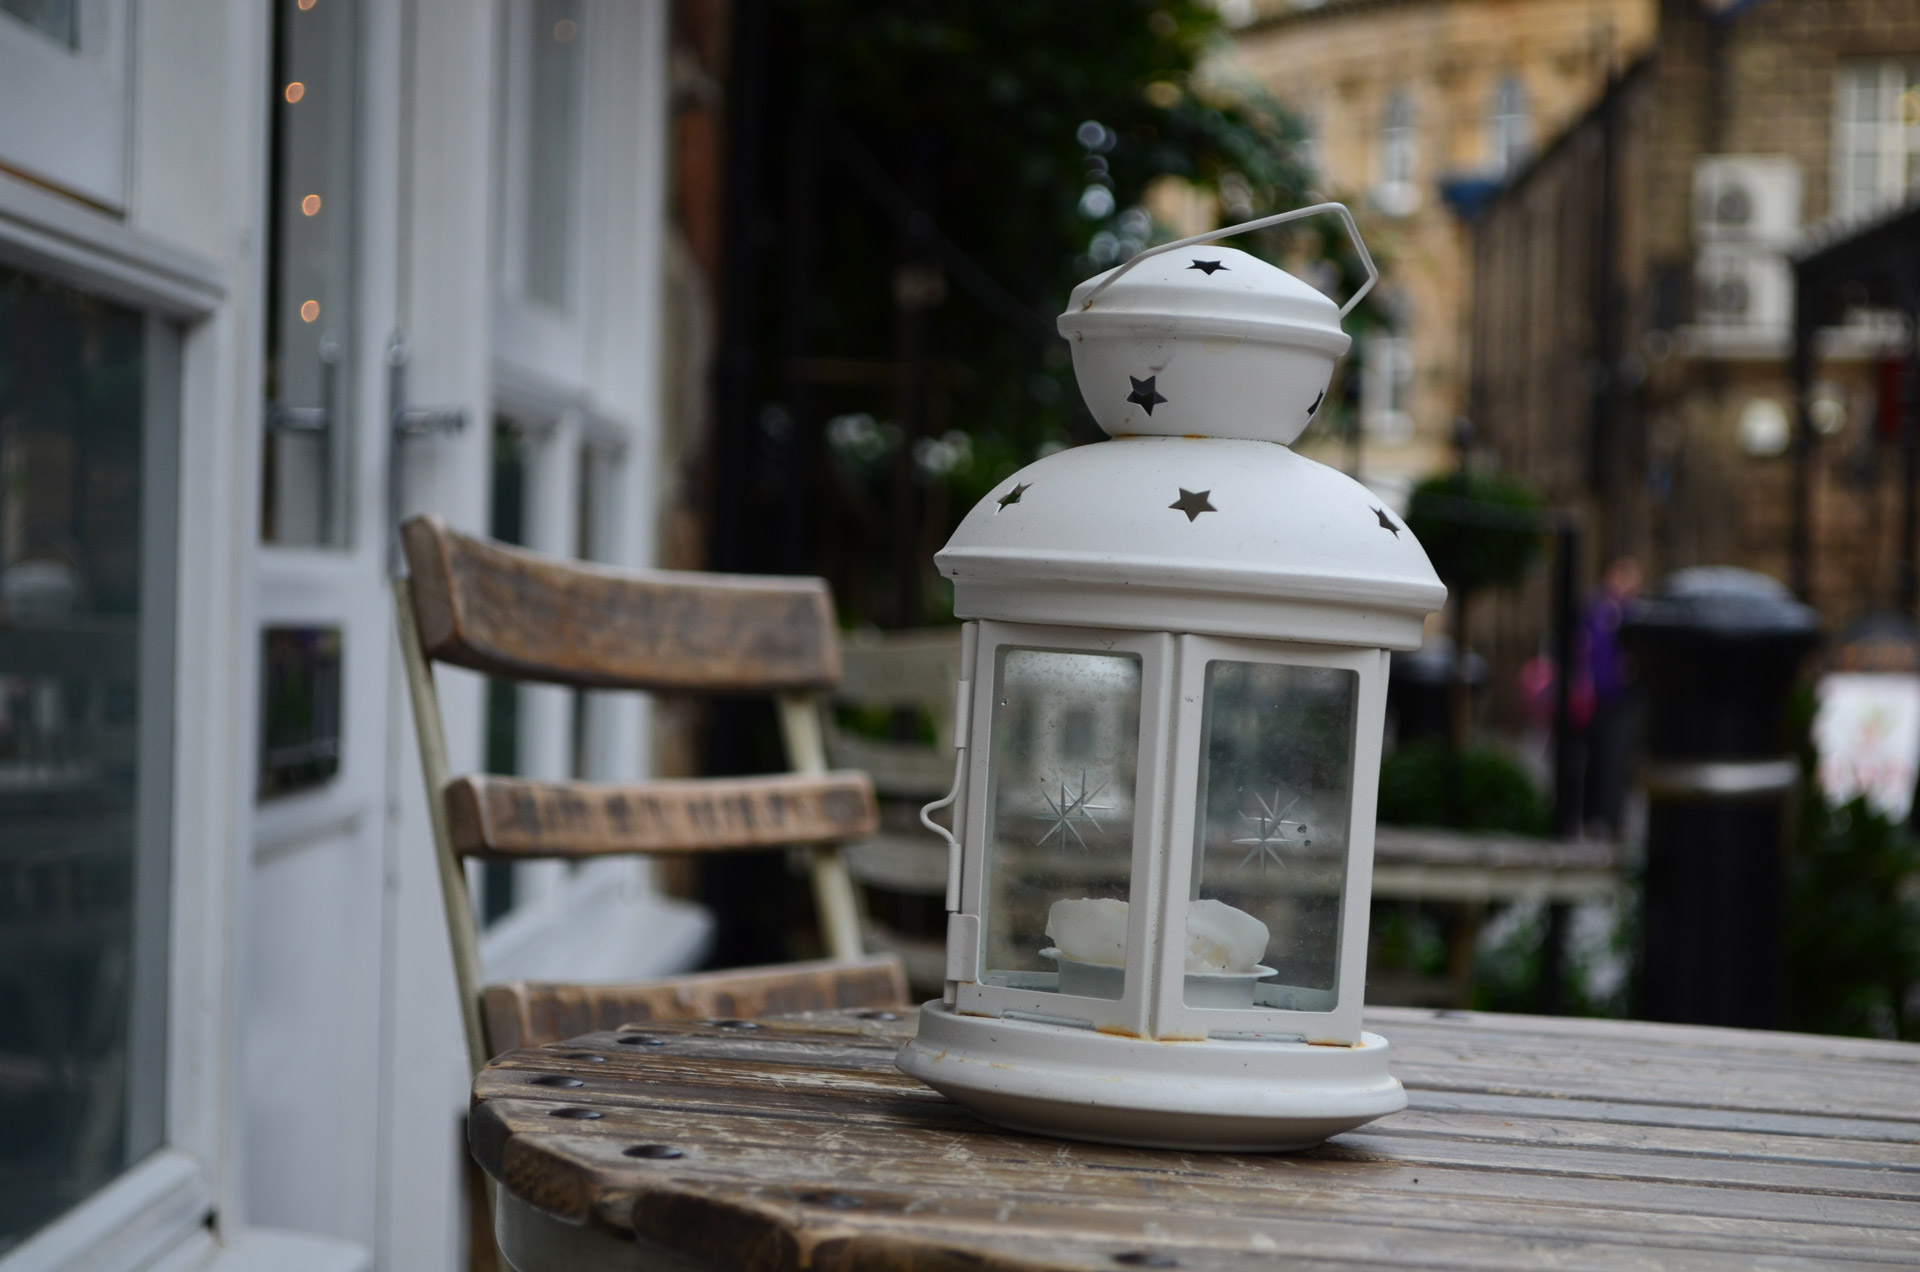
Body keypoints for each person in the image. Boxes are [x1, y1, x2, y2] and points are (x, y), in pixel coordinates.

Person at [1576, 556, 1642, 838]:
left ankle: (1608, 818)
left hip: (1621, 699)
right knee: (1598, 758)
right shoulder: (1599, 610)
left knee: (1614, 759)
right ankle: (1595, 817)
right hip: (1599, 698)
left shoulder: (1631, 613)